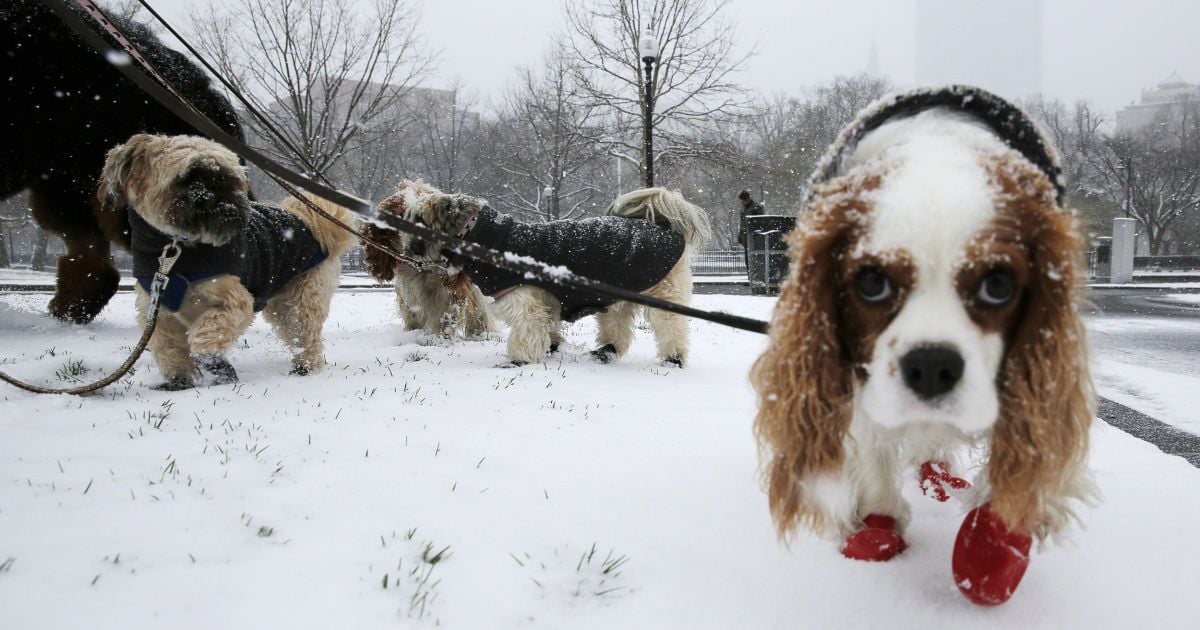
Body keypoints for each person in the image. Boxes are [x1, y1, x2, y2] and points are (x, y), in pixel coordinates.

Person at [736, 189, 765, 266]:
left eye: (742, 201)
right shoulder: (743, 209)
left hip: (754, 239)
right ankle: (749, 272)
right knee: (748, 261)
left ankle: (753, 272)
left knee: (754, 261)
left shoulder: (756, 208)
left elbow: (760, 223)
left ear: (747, 199)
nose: (741, 203)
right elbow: (742, 224)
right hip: (746, 239)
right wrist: (740, 235)